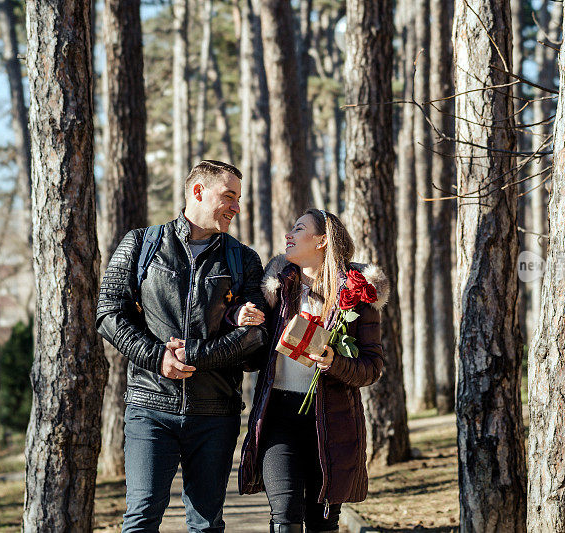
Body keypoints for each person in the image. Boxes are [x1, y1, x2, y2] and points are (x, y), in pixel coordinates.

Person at [97, 160, 268, 532]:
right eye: (228, 196)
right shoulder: (141, 244)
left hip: (216, 412)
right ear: (197, 192)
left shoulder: (244, 259)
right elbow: (108, 313)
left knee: (206, 525)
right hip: (149, 408)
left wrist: (193, 357)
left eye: (238, 198)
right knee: (141, 518)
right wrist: (158, 357)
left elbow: (255, 336)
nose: (236, 207)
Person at [238, 208, 389, 533]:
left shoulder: (357, 294)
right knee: (285, 518)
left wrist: (335, 362)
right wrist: (245, 326)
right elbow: (254, 356)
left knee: (322, 524)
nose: (288, 235)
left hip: (333, 423)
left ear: (322, 240)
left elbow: (372, 367)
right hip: (278, 418)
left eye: (298, 228)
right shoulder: (278, 287)